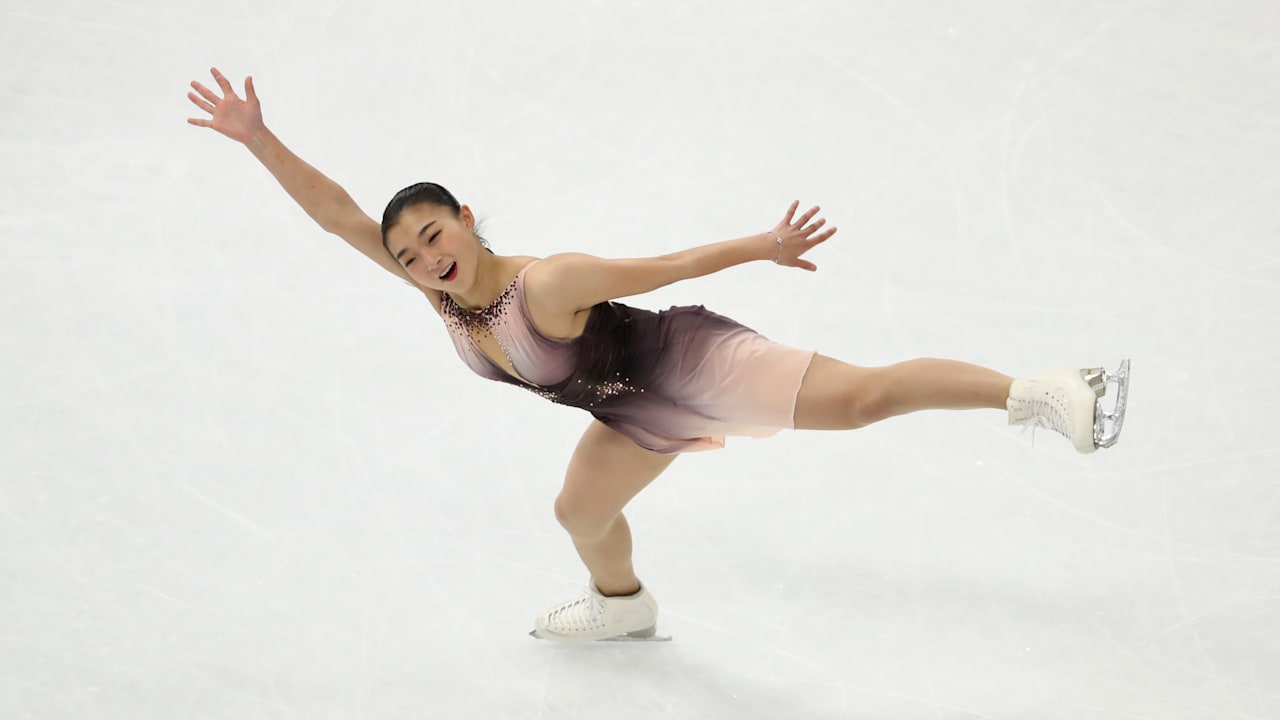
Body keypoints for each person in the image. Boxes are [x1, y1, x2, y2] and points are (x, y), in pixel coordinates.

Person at [186, 68, 1128, 642]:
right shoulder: (442, 296)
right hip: (627, 406)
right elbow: (340, 215)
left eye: (436, 234)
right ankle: (623, 604)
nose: (428, 258)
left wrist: (762, 245)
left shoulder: (549, 282)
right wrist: (259, 138)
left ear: (466, 218)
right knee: (579, 511)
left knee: (863, 401)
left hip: (689, 363)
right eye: (410, 254)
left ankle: (1045, 391)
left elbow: (666, 265)